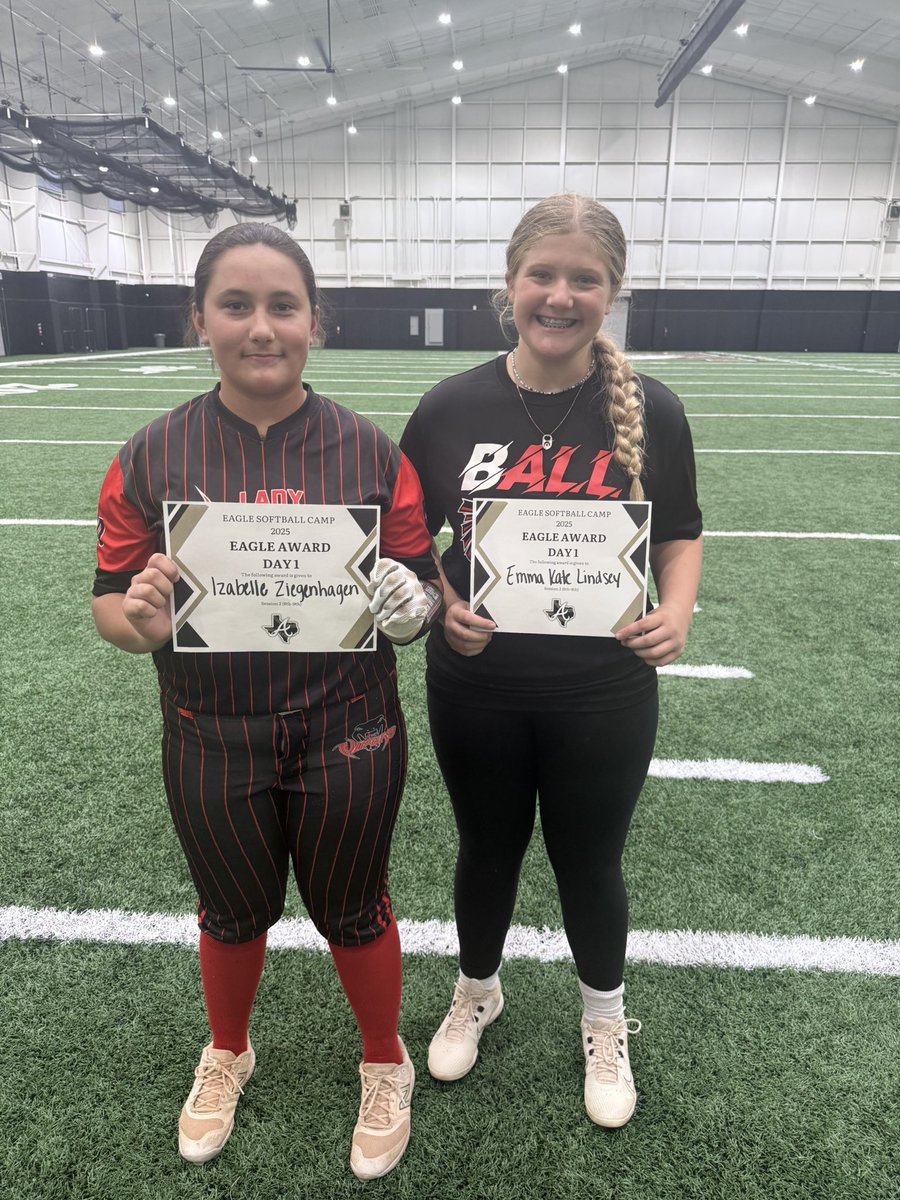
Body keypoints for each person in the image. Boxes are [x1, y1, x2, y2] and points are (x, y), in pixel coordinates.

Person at [92, 222, 441, 1181]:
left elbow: (426, 590)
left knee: (355, 907)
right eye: (235, 305)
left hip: (351, 728)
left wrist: (414, 607)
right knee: (231, 911)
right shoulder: (151, 454)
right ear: (198, 318)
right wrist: (142, 621)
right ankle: (228, 1051)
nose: (260, 327)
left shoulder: (371, 451)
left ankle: (385, 1058)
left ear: (314, 322)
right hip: (210, 729)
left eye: (282, 305)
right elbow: (109, 607)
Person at [399, 193, 703, 1129]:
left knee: (589, 860)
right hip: (477, 684)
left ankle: (604, 1020)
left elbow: (681, 534)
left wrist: (679, 613)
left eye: (584, 279)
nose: (560, 295)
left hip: (604, 688)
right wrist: (445, 607)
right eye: (543, 274)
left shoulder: (651, 408)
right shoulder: (451, 405)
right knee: (486, 850)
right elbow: (409, 542)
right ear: (510, 283)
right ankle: (477, 990)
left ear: (611, 292)